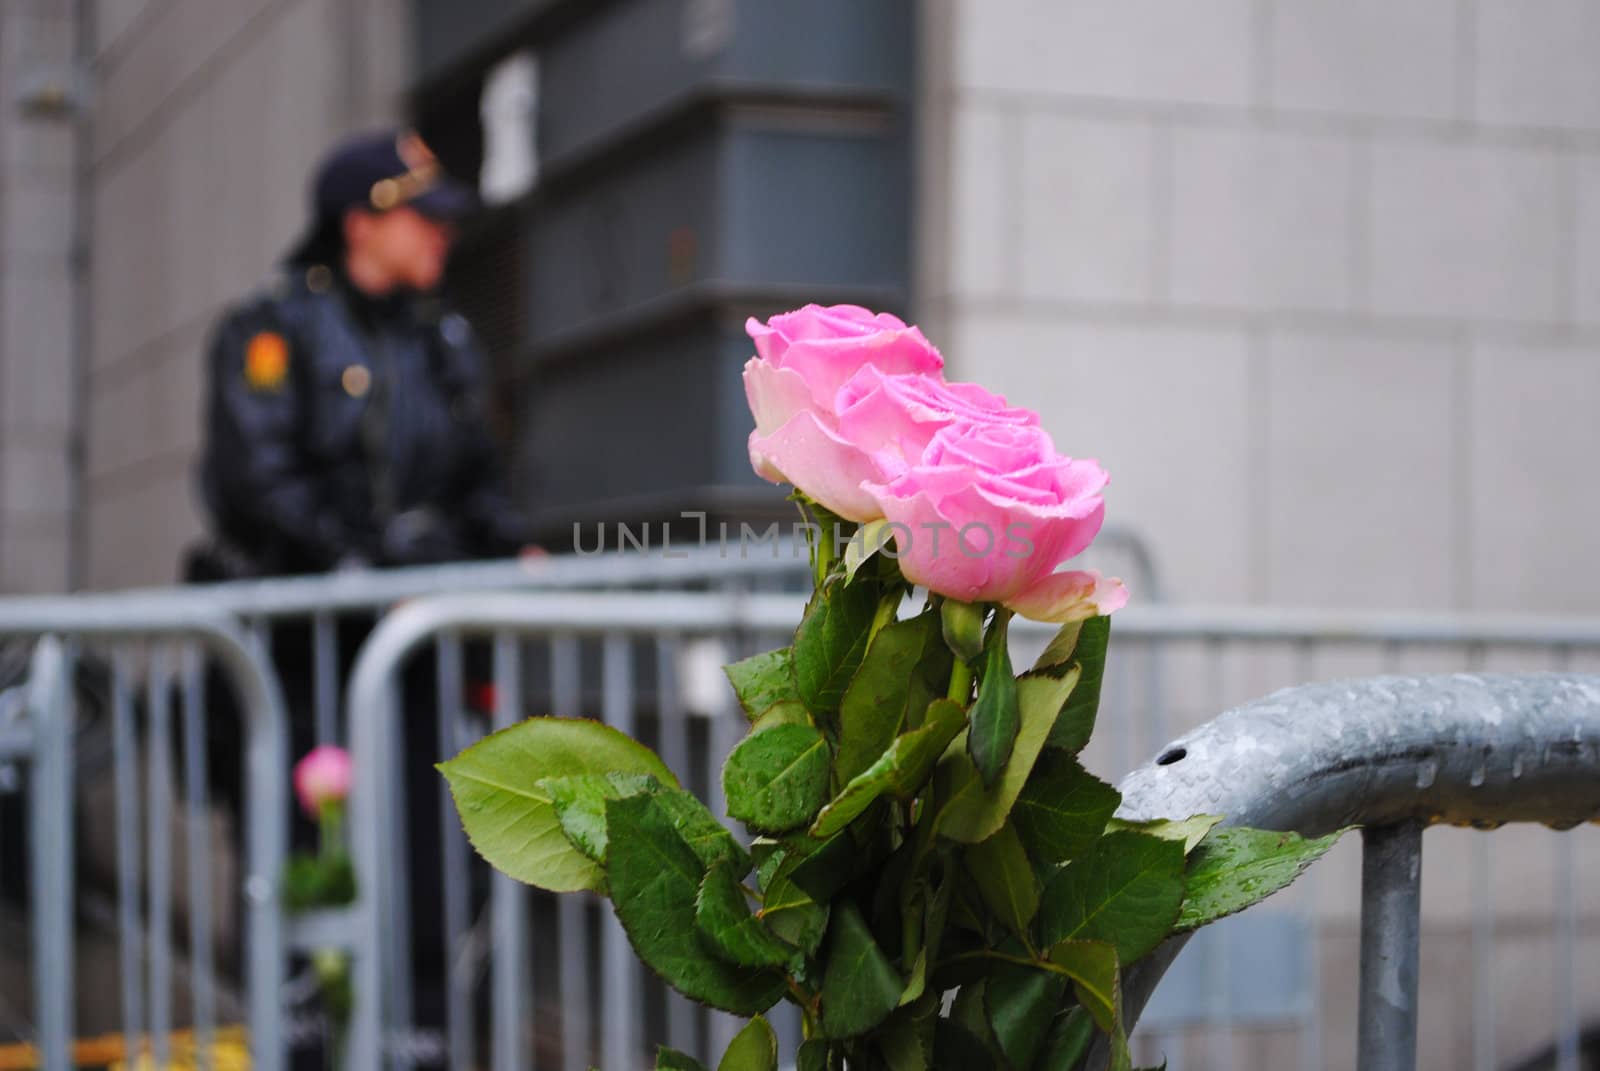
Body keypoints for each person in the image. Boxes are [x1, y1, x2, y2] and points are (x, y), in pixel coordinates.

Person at [188, 128, 531, 1068]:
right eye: (421, 220)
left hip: (412, 649)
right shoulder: (270, 331)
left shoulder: (445, 340)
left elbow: (478, 480)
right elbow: (257, 481)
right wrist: (370, 563)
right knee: (307, 836)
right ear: (359, 225)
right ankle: (307, 1029)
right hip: (304, 652)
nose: (440, 238)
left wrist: (508, 549)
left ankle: (420, 1030)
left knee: (430, 843)